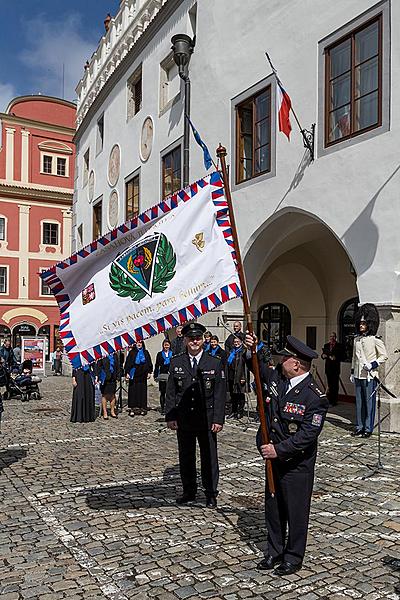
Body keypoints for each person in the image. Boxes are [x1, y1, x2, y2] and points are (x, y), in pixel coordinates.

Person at [245, 333, 329, 576]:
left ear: (295, 363)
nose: (279, 360)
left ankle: (293, 556)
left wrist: (278, 450)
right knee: (274, 508)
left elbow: (307, 435)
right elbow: (257, 369)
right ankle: (274, 551)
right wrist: (250, 349)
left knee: (296, 511)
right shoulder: (278, 378)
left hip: (295, 463)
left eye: (283, 357)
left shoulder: (314, 396)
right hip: (273, 459)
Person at [165, 322, 226, 509]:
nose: (194, 341)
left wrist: (218, 419)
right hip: (184, 419)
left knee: (209, 457)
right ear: (185, 340)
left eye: (198, 338)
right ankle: (189, 491)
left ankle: (210, 493)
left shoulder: (214, 362)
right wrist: (171, 416)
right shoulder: (177, 362)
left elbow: (219, 394)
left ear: (203, 340)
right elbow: (171, 392)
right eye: (191, 338)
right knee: (186, 457)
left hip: (207, 419)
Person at [350, 303, 388, 438]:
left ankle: (368, 428)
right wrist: (352, 372)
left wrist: (372, 364)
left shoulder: (375, 340)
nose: (361, 326)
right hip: (358, 374)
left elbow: (384, 356)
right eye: (360, 323)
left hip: (369, 376)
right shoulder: (356, 340)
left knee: (369, 403)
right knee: (359, 403)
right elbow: (354, 357)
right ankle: (359, 426)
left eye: (364, 323)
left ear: (369, 324)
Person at [124, 341, 153, 416]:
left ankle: (142, 408)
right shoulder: (132, 352)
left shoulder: (145, 352)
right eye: (137, 343)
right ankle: (133, 408)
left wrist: (149, 372)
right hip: (133, 374)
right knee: (133, 391)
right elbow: (128, 363)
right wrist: (127, 372)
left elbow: (149, 362)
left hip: (143, 374)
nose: (139, 344)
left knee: (142, 391)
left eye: (140, 343)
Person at [226, 337, 248, 419]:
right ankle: (233, 411)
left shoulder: (243, 351)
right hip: (232, 375)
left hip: (240, 375)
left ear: (241, 342)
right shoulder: (232, 351)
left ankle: (240, 412)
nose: (236, 343)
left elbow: (245, 366)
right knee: (233, 394)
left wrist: (243, 377)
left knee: (240, 394)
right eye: (235, 342)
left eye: (238, 342)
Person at [321, 332, 344, 406]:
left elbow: (343, 356)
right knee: (330, 384)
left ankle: (334, 401)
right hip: (328, 368)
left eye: (333, 336)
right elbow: (323, 354)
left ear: (335, 337)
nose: (332, 338)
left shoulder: (339, 346)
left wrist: (335, 358)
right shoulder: (326, 345)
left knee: (335, 385)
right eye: (331, 336)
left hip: (335, 368)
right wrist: (323, 356)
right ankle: (329, 400)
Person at [95, 354, 119, 420]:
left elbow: (117, 366)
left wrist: (118, 375)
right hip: (104, 378)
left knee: (112, 395)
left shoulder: (115, 355)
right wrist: (97, 376)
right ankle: (105, 412)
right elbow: (98, 366)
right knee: (105, 395)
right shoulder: (102, 354)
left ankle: (112, 411)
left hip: (113, 377)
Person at [154, 339, 172, 415]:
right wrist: (155, 375)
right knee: (163, 392)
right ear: (163, 346)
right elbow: (157, 365)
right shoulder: (159, 354)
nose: (166, 346)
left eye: (167, 345)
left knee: (170, 392)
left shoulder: (173, 354)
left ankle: (169, 407)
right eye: (165, 345)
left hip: (170, 375)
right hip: (162, 374)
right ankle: (162, 408)